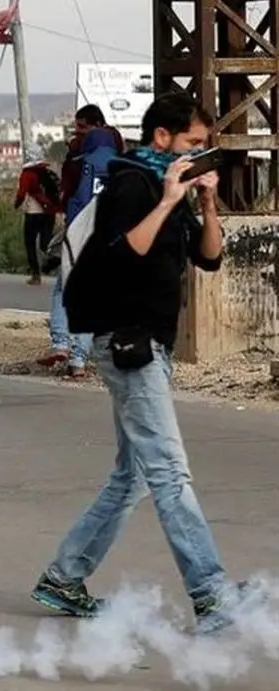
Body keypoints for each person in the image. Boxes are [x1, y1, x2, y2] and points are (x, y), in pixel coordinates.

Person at [31, 92, 254, 635]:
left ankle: (63, 577)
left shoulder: (173, 190)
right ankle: (210, 595)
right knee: (170, 474)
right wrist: (166, 199)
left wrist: (204, 203)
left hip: (151, 343)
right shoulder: (134, 182)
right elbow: (124, 252)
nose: (200, 155)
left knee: (132, 477)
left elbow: (210, 257)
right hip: (127, 344)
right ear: (163, 138)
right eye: (193, 144)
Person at [40, 125, 124, 379]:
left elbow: (69, 201)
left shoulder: (80, 164)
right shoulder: (124, 168)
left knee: (62, 289)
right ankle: (78, 362)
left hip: (80, 237)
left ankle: (60, 343)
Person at [14, 146, 62, 285]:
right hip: (49, 213)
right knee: (46, 244)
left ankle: (36, 275)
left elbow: (22, 193)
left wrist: (16, 205)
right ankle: (57, 265)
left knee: (30, 243)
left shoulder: (27, 174)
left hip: (33, 213)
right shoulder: (48, 172)